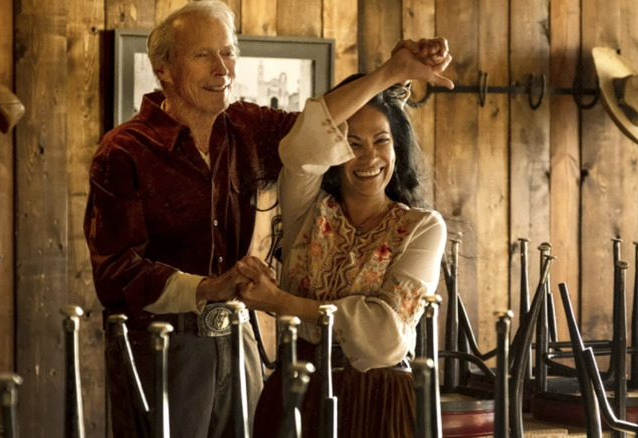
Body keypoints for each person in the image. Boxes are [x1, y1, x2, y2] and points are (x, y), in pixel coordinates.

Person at [83, 1, 299, 437]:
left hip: (239, 341)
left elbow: (320, 131)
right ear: (163, 68)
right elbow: (116, 271)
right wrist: (207, 287)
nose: (223, 68)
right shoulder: (123, 150)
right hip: (163, 348)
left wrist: (390, 76)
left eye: (229, 52)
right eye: (203, 55)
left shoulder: (244, 128)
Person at [237, 40, 453, 438]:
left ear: (398, 147)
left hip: (381, 402)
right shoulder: (308, 206)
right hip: (297, 392)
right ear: (335, 151)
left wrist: (282, 303)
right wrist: (389, 72)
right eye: (352, 144)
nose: (369, 157)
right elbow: (300, 148)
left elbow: (384, 339)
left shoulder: (423, 227)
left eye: (381, 140)